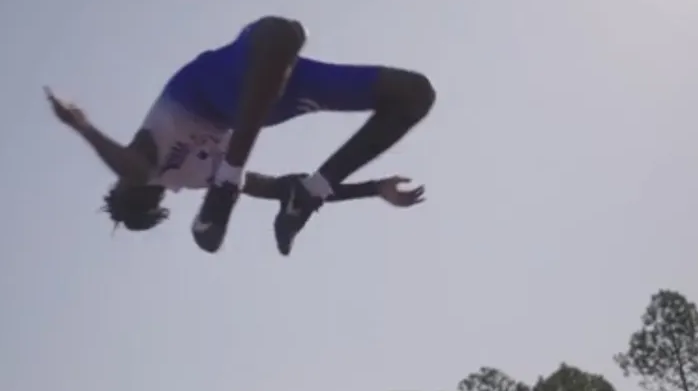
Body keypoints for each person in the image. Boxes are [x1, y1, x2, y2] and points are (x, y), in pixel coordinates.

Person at [47, 15, 435, 255]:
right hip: (237, 92)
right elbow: (130, 168)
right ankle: (254, 181)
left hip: (259, 91)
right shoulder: (160, 172)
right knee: (283, 33)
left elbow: (280, 189)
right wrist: (82, 126)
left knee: (415, 94)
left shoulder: (169, 171)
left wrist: (368, 190)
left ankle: (304, 189)